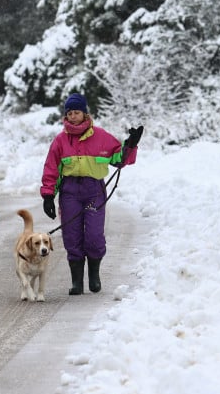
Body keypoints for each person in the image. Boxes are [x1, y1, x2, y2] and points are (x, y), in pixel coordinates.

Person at [40, 93, 143, 295]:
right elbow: (51, 168)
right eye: (69, 113)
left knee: (94, 235)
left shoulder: (102, 137)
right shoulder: (60, 141)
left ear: (85, 113)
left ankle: (94, 275)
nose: (73, 116)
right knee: (72, 236)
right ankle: (77, 282)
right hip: (70, 193)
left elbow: (120, 159)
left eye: (77, 112)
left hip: (94, 191)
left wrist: (130, 145)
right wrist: (48, 195)